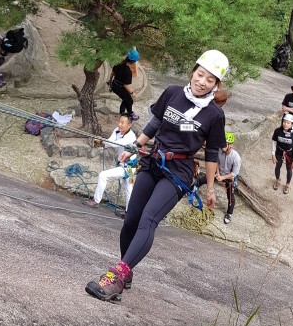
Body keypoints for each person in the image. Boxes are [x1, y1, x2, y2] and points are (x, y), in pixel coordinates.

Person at [85, 49, 229, 302]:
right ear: (193, 72)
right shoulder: (173, 93)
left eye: (210, 79)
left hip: (179, 172)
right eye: (200, 74)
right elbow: (155, 123)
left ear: (216, 85)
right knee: (131, 219)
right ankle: (127, 271)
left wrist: (209, 188)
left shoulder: (214, 115)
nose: (202, 82)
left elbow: (212, 153)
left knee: (148, 219)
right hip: (153, 161)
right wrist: (134, 147)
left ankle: (117, 277)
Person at [89, 114, 138, 211]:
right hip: (124, 165)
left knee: (103, 175)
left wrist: (102, 141)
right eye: (119, 122)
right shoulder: (117, 130)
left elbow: (115, 144)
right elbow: (111, 140)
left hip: (129, 167)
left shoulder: (131, 137)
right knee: (129, 190)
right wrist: (103, 143)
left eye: (122, 123)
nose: (119, 124)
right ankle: (129, 212)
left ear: (129, 125)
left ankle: (96, 201)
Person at [109, 48, 140, 121]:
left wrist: (110, 82)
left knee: (126, 99)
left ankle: (122, 113)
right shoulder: (128, 71)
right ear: (133, 61)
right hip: (120, 88)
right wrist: (132, 93)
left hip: (114, 85)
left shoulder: (118, 63)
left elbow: (112, 73)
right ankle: (130, 114)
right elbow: (126, 85)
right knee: (129, 101)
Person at [271, 113, 293, 194]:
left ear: (292, 124)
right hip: (279, 152)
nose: (285, 124)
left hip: (289, 153)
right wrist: (273, 154)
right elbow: (274, 142)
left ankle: (287, 184)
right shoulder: (277, 131)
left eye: (288, 123)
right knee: (278, 166)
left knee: (289, 169)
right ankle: (277, 180)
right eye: (284, 122)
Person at [217, 132, 241, 225]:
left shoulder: (236, 157)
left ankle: (229, 214)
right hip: (220, 173)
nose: (225, 146)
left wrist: (222, 177)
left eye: (227, 144)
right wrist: (218, 174)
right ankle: (192, 189)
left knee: (230, 195)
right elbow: (216, 162)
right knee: (204, 179)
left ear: (231, 145)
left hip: (229, 176)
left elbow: (234, 173)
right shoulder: (220, 151)